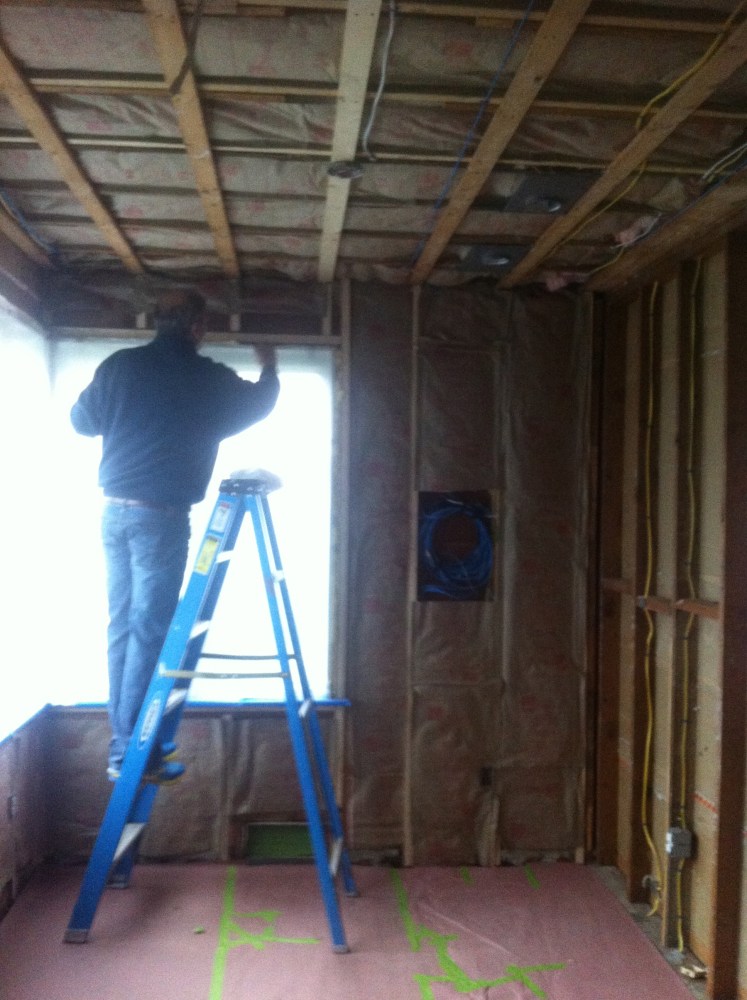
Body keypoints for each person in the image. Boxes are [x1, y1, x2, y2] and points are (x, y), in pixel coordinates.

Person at [70, 289, 280, 781]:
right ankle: (132, 753)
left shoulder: (120, 366)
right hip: (160, 519)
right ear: (197, 328)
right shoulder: (206, 378)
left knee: (123, 628)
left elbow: (81, 422)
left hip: (113, 513)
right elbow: (258, 404)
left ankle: (123, 748)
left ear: (157, 321)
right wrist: (269, 365)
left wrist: (124, 415)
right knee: (148, 632)